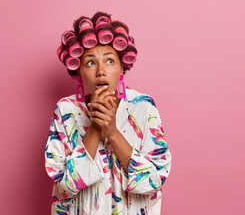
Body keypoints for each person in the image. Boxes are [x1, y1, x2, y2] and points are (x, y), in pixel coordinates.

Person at [45, 11, 172, 215]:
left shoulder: (143, 107)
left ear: (122, 67)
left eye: (110, 61)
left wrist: (112, 132)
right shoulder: (66, 110)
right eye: (90, 62)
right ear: (79, 71)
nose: (101, 71)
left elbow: (153, 181)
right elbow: (66, 185)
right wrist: (96, 125)